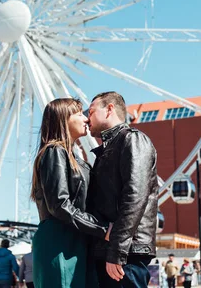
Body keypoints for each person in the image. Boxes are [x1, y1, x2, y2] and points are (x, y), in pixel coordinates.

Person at [31, 98, 111, 288]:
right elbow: (59, 204)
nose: (85, 119)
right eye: (78, 114)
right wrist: (102, 228)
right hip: (60, 241)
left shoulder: (72, 156)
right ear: (63, 119)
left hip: (76, 239)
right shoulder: (54, 152)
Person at [86, 91, 159, 288]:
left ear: (109, 109)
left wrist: (117, 251)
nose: (87, 118)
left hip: (127, 251)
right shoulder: (108, 148)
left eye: (91, 111)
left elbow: (135, 196)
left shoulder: (133, 140)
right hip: (113, 249)